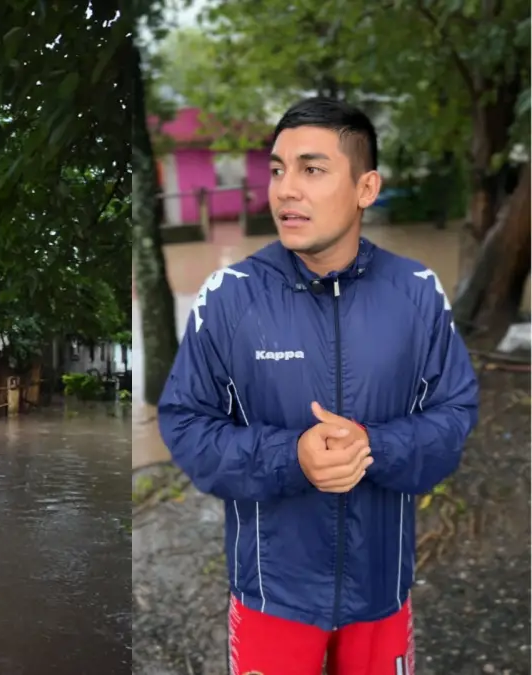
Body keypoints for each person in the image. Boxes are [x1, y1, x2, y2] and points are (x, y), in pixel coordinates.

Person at [157, 97, 478, 674]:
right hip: (272, 596)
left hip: (381, 592)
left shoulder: (417, 293)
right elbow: (185, 422)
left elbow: (454, 413)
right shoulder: (229, 298)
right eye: (277, 170)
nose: (283, 190)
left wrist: (374, 446)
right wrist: (291, 456)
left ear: (365, 187)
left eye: (311, 169)